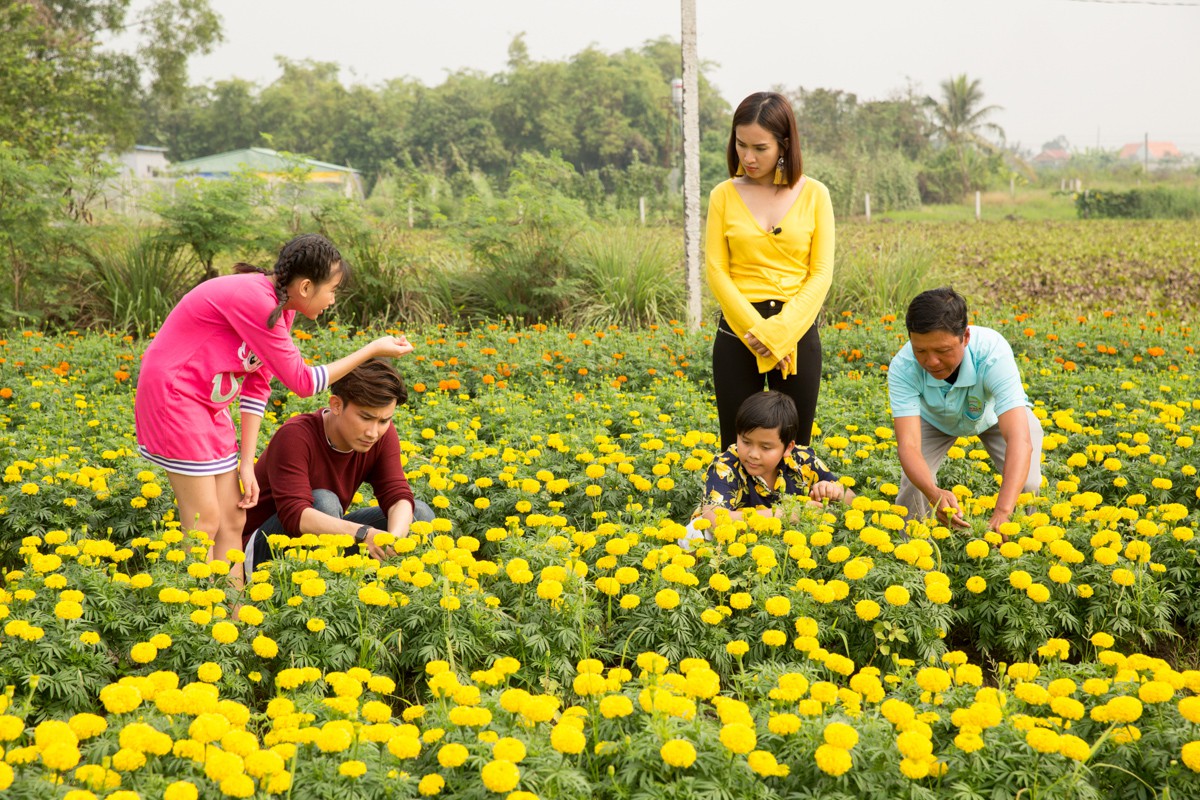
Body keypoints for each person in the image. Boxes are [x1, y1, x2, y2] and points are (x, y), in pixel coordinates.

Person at [134, 233, 413, 575]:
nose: (333, 300)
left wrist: (247, 463)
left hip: (210, 404)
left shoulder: (282, 309)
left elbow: (256, 384)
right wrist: (371, 350)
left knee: (233, 516)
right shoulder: (256, 299)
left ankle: (235, 615)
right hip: (175, 396)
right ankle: (198, 613)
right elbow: (303, 383)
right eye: (332, 290)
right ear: (307, 287)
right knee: (203, 520)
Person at [706, 91, 835, 451]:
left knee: (795, 447)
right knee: (736, 446)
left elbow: (821, 272)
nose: (748, 157)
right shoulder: (723, 195)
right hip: (738, 335)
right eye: (741, 144)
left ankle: (791, 511)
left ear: (785, 144)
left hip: (797, 336)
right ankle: (731, 510)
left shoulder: (815, 194)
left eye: (760, 148)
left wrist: (780, 334)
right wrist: (760, 334)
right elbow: (717, 271)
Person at [240, 359, 433, 573]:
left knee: (418, 515)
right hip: (259, 549)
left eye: (383, 421)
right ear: (336, 405)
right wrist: (364, 534)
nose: (373, 432)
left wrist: (393, 540)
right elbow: (296, 515)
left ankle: (365, 591)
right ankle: (319, 594)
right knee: (323, 501)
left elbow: (396, 495)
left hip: (326, 539)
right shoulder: (295, 436)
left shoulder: (381, 436)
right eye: (365, 417)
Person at [888, 287, 1043, 533]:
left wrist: (1003, 512)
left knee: (1027, 485)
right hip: (935, 419)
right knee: (914, 488)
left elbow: (1019, 440)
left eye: (942, 351)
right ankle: (911, 555)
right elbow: (908, 445)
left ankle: (1025, 545)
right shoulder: (903, 366)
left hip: (992, 415)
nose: (931, 361)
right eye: (921, 351)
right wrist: (933, 492)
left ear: (966, 337)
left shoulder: (992, 352)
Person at [681, 391, 853, 547]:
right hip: (732, 540)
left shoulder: (804, 461)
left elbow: (853, 500)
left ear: (787, 448)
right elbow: (714, 519)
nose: (753, 454)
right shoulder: (726, 465)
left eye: (766, 447)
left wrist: (835, 492)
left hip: (779, 542)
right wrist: (787, 514)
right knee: (694, 533)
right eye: (746, 442)